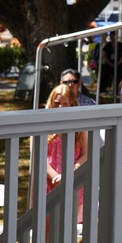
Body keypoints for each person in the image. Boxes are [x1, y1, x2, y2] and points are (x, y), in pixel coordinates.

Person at [44, 84, 89, 216]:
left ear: (72, 104)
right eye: (57, 103)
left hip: (73, 180)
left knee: (69, 224)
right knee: (47, 227)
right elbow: (37, 157)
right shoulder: (43, 124)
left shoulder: (80, 127)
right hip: (48, 181)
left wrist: (70, 173)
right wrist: (55, 177)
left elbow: (86, 154)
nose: (60, 107)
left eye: (65, 103)